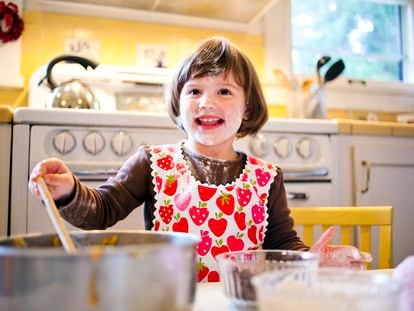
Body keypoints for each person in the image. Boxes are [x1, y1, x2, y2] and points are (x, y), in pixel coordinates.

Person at [29, 36, 371, 282]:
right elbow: (101, 209)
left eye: (223, 91)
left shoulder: (267, 178)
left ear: (247, 107)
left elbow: (282, 245)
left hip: (242, 303)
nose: (206, 102)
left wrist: (313, 260)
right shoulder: (152, 164)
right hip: (173, 301)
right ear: (179, 103)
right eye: (194, 91)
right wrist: (69, 191)